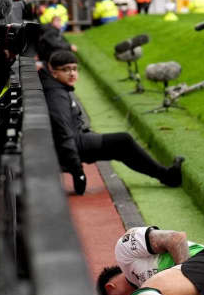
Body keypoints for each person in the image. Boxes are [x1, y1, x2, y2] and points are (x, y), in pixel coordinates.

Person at [41, 50, 185, 193]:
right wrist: (77, 172)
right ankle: (167, 176)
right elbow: (63, 135)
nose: (72, 74)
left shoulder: (57, 88)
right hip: (74, 144)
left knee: (122, 147)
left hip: (78, 139)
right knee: (123, 140)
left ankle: (167, 176)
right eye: (65, 70)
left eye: (74, 69)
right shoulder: (57, 96)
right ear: (54, 72)